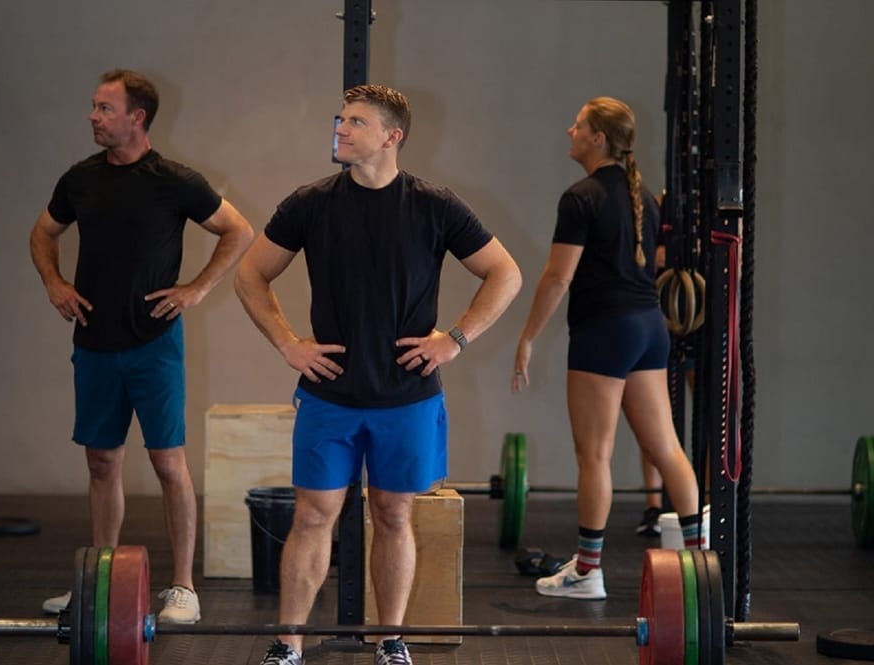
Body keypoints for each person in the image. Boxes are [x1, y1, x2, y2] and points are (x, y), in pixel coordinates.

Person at [235, 83, 521, 665]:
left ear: (393, 136)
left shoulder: (435, 206)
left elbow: (505, 273)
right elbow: (250, 275)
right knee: (313, 517)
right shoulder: (310, 203)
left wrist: (454, 339)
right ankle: (287, 645)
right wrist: (288, 343)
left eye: (356, 122)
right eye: (340, 119)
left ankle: (391, 642)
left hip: (406, 397)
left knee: (393, 515)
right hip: (330, 396)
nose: (340, 129)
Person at [29, 69, 255, 623]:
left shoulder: (174, 180)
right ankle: (98, 582)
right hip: (95, 342)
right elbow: (42, 233)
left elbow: (239, 230)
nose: (93, 116)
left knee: (168, 462)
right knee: (102, 461)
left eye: (105, 108)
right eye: (94, 106)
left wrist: (197, 288)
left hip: (154, 343)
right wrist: (54, 283)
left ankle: (183, 587)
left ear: (138, 118)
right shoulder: (80, 179)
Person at [511, 97, 701, 600]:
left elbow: (557, 277)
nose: (569, 131)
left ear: (597, 138)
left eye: (578, 125)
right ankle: (702, 569)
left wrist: (527, 337)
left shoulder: (581, 197)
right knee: (667, 448)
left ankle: (588, 572)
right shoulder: (645, 199)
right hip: (649, 329)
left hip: (606, 332)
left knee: (594, 454)